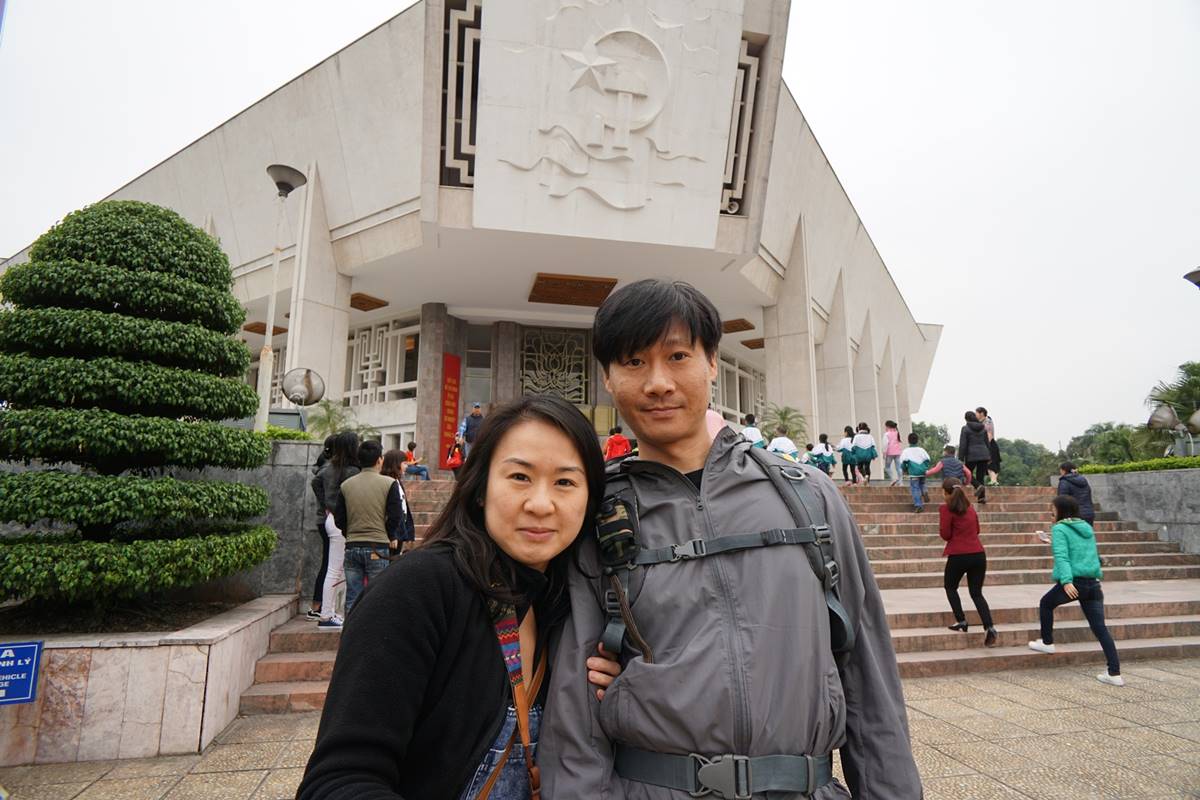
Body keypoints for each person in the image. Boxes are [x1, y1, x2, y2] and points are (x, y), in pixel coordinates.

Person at [541, 279, 922, 798]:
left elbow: (867, 676)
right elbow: (574, 712)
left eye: (678, 356)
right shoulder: (596, 512)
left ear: (712, 362)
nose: (658, 382)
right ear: (608, 377)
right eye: (633, 362)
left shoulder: (808, 496)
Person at [297, 396, 623, 800]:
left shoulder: (568, 603)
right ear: (481, 487)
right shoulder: (418, 591)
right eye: (519, 476)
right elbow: (337, 782)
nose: (540, 504)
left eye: (565, 482)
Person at [1028, 495, 1123, 686]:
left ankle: (1047, 642)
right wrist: (1052, 542)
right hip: (1093, 584)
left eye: (1053, 511)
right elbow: (1085, 552)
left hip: (1074, 583)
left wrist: (1066, 581)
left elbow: (1062, 557)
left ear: (1061, 511)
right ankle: (1115, 673)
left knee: (1046, 604)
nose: (1051, 514)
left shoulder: (1059, 528)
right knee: (1100, 629)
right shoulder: (1086, 527)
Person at [334, 440, 413, 615]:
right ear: (379, 460)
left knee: (352, 597)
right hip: (378, 547)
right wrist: (389, 534)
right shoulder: (389, 483)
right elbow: (396, 516)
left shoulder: (346, 485)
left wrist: (350, 533)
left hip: (352, 546)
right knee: (377, 597)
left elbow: (339, 519)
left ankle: (351, 631)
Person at [939, 478, 998, 647]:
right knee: (976, 593)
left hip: (959, 555)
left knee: (950, 587)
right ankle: (989, 627)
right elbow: (977, 530)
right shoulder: (970, 508)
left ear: (946, 492)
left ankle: (961, 620)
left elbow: (945, 534)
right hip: (978, 554)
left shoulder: (946, 509)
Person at [310, 431, 360, 628]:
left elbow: (315, 482)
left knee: (334, 569)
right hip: (343, 521)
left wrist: (326, 505)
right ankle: (326, 615)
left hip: (331, 519)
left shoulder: (329, 467)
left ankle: (329, 613)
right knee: (335, 570)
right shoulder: (353, 471)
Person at [306, 434, 336, 620]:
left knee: (328, 563)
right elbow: (316, 484)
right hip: (326, 520)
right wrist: (329, 506)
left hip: (323, 520)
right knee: (329, 565)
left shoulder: (325, 466)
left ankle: (318, 606)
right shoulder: (328, 469)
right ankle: (317, 606)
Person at [381, 448, 417, 549]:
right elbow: (391, 511)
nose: (407, 466)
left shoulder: (397, 481)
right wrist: (392, 535)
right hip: (391, 534)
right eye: (404, 463)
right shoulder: (387, 482)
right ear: (395, 464)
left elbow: (404, 508)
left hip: (400, 531)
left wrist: (409, 533)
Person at [958, 410, 991, 504]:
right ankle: (981, 498)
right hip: (984, 454)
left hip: (971, 455)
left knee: (966, 473)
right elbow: (987, 443)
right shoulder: (983, 428)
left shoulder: (965, 428)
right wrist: (989, 456)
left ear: (966, 419)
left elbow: (963, 444)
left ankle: (977, 486)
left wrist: (961, 458)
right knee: (981, 476)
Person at [899, 432, 931, 513]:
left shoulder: (906, 451)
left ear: (908, 441)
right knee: (922, 484)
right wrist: (925, 468)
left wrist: (905, 470)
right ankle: (925, 492)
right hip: (922, 472)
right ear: (917, 440)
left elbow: (903, 463)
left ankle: (918, 505)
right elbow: (928, 460)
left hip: (913, 473)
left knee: (915, 488)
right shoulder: (922, 450)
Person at [976, 406, 1001, 485]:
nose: (975, 415)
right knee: (990, 463)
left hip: (989, 445)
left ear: (981, 413)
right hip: (987, 444)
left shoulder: (987, 422)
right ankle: (994, 481)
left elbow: (989, 435)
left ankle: (994, 481)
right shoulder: (982, 422)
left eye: (976, 413)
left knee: (991, 463)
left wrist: (986, 446)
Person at [883, 419, 903, 486]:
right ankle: (900, 482)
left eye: (885, 426)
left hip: (890, 452)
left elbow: (885, 444)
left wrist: (884, 453)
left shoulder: (886, 434)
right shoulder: (897, 433)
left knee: (887, 467)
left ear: (888, 426)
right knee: (899, 468)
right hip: (898, 452)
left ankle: (893, 479)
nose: (885, 428)